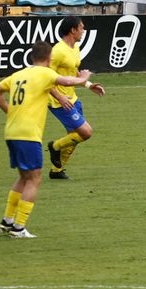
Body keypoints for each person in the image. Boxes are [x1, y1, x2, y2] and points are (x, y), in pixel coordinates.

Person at [0, 41, 93, 238]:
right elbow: (67, 82)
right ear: (49, 58)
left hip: (12, 131)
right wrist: (85, 78)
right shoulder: (45, 73)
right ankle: (19, 228)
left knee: (24, 177)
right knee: (34, 179)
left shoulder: (19, 74)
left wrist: (9, 111)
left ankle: (7, 221)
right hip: (28, 135)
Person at [46, 16, 106, 180]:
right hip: (59, 102)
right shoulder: (57, 51)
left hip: (71, 98)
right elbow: (45, 77)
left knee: (74, 137)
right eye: (81, 27)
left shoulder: (75, 48)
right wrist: (60, 98)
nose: (83, 31)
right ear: (73, 30)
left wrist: (88, 85)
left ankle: (56, 171)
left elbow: (74, 73)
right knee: (86, 132)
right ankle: (55, 147)